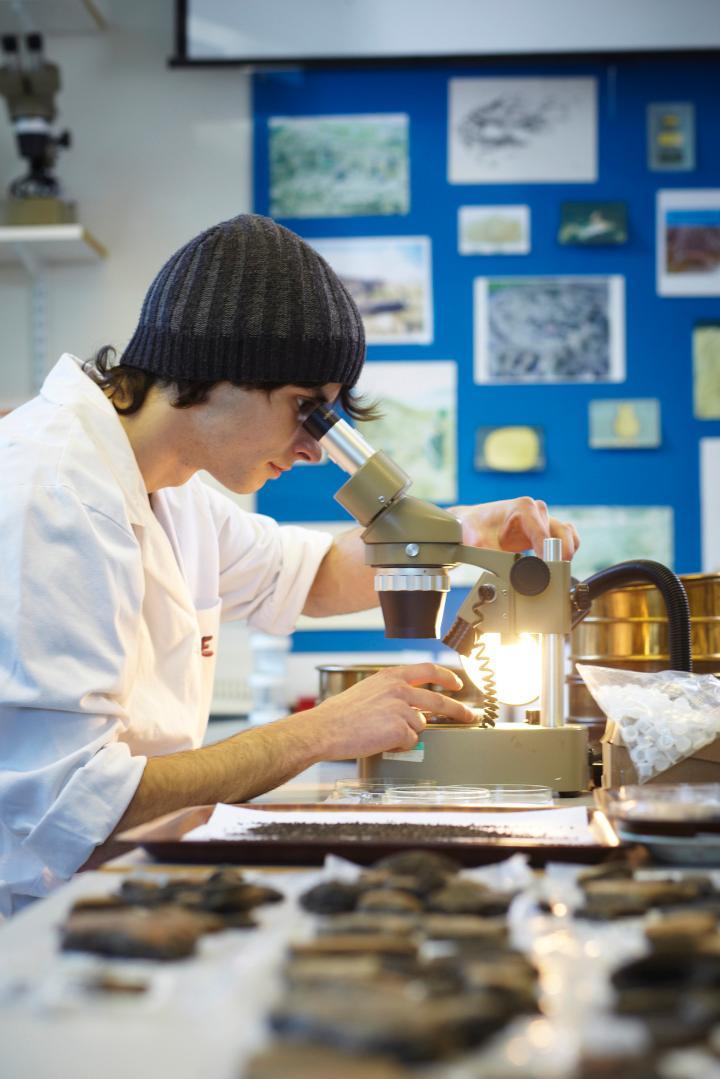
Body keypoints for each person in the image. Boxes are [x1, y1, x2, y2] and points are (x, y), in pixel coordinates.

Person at [0, 214, 579, 915]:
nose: (312, 450)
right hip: (30, 916)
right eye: (308, 411)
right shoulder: (53, 492)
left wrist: (463, 530)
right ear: (217, 367)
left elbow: (305, 574)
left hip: (108, 888)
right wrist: (323, 729)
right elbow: (76, 806)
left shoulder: (171, 491)